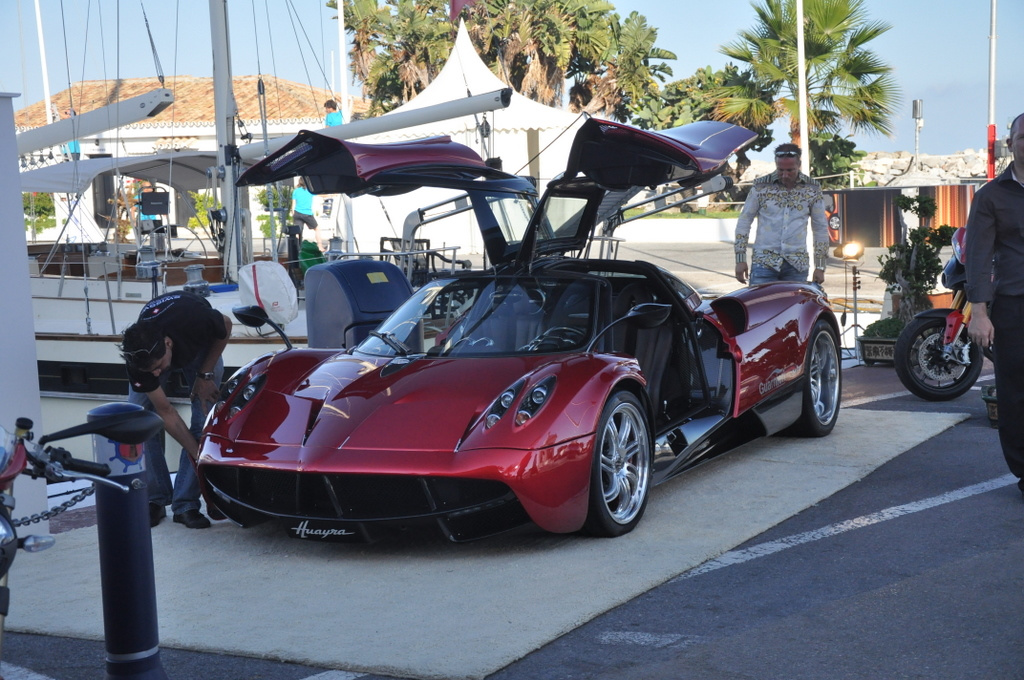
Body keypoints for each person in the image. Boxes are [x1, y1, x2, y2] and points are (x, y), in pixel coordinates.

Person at [119, 292, 232, 529]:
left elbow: (226, 325)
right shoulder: (141, 363)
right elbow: (166, 412)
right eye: (151, 373)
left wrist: (205, 374)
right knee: (138, 421)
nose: (158, 375)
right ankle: (154, 499)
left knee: (203, 421)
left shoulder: (195, 320)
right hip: (161, 345)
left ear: (168, 344)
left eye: (159, 368)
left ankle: (186, 504)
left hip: (199, 346)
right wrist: (198, 455)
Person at [966, 111, 1024, 498]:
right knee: (1015, 392)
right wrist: (980, 313)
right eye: (1023, 136)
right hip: (1014, 306)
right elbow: (978, 256)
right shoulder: (991, 196)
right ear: (1011, 143)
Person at [734, 143, 828, 286]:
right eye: (780, 170)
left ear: (799, 165)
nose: (785, 175)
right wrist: (740, 259)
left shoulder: (812, 188)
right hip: (764, 264)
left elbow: (820, 228)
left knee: (793, 307)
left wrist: (820, 266)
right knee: (760, 307)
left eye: (790, 170)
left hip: (797, 265)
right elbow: (744, 222)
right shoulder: (761, 186)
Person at [292, 178, 324, 250]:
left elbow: (293, 204)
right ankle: (320, 247)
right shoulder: (310, 191)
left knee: (298, 232)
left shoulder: (295, 191)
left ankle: (297, 249)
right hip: (307, 214)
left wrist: (293, 214)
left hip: (297, 213)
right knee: (317, 228)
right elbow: (321, 195)